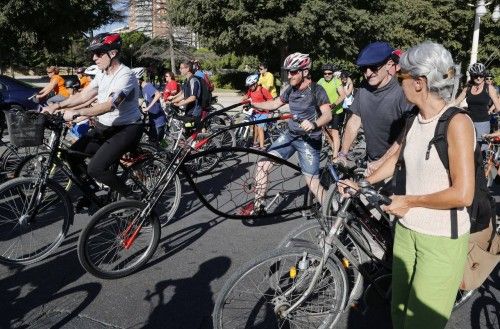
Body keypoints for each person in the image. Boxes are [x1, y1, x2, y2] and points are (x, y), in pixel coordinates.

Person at [341, 41, 475, 329]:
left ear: (420, 82)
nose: (398, 83)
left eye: (401, 77)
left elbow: (463, 194)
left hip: (440, 240)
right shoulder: (415, 119)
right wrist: (361, 182)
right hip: (406, 232)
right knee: (398, 316)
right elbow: (395, 160)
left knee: (421, 324)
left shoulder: (457, 123)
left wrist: (410, 201)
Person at [42, 32, 143, 200]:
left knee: (96, 168)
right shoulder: (102, 75)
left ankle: (133, 198)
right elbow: (83, 96)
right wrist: (56, 106)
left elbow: (111, 105)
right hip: (105, 128)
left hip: (127, 129)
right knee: (72, 154)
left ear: (113, 53)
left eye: (98, 53)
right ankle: (93, 194)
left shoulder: (126, 76)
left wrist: (77, 113)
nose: (94, 57)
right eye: (92, 54)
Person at [240, 53, 332, 215]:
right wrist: (254, 103)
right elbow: (275, 103)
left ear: (305, 72)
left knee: (313, 183)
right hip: (290, 135)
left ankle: (335, 214)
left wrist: (314, 124)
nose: (289, 75)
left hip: (309, 141)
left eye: (293, 71)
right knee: (262, 165)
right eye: (288, 71)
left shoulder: (317, 90)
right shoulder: (291, 89)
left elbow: (327, 115)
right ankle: (258, 206)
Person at [335, 41, 413, 176]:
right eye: (364, 69)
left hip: (397, 166)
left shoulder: (402, 92)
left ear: (389, 64)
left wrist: (383, 161)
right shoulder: (364, 89)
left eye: (373, 67)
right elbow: (354, 122)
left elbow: (408, 132)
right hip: (371, 163)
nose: (368, 73)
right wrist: (343, 153)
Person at [454, 63, 500, 147]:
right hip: (468, 122)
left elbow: (498, 106)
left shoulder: (488, 88)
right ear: (472, 76)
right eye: (476, 76)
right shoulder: (467, 88)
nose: (478, 78)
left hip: (482, 123)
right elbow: (456, 102)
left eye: (481, 75)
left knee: (481, 151)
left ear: (484, 76)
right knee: (467, 147)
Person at [317, 63, 346, 158]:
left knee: (335, 132)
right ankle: (334, 147)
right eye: (325, 73)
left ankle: (335, 157)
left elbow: (342, 95)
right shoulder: (320, 81)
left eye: (329, 73)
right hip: (324, 112)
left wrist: (333, 105)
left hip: (336, 111)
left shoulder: (336, 81)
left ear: (332, 73)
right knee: (326, 131)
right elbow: (315, 93)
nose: (327, 75)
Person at [241, 73, 274, 150]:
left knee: (260, 128)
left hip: (263, 112)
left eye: (251, 85)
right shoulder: (250, 90)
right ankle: (255, 143)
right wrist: (241, 101)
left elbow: (271, 100)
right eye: (248, 86)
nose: (250, 87)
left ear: (255, 83)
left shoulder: (263, 90)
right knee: (255, 127)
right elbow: (247, 96)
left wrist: (266, 108)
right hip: (255, 112)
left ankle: (262, 147)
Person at [134, 67, 166, 144]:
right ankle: (167, 150)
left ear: (138, 80)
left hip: (158, 120)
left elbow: (158, 94)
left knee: (156, 144)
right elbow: (142, 100)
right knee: (153, 142)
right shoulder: (142, 88)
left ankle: (169, 153)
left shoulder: (147, 86)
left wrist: (148, 107)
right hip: (153, 119)